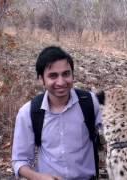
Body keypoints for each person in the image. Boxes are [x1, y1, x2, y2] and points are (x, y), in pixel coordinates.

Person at [11, 46, 102, 180]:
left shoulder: (89, 102)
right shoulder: (29, 113)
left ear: (72, 74)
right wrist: (38, 177)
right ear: (41, 79)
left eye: (66, 74)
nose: (61, 82)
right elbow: (19, 161)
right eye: (53, 76)